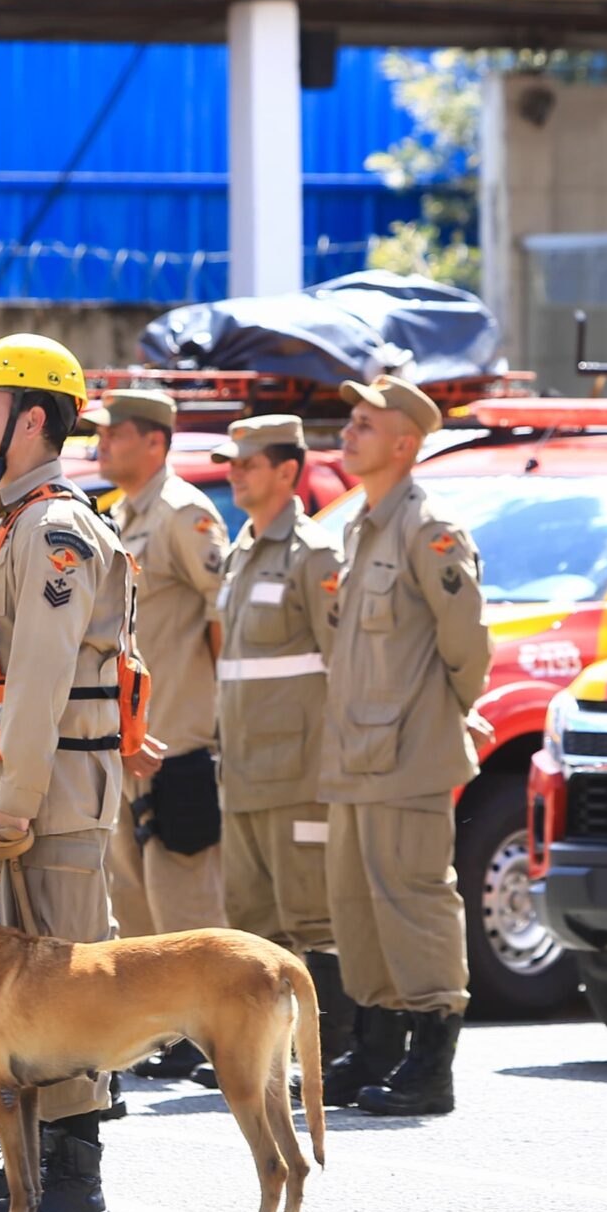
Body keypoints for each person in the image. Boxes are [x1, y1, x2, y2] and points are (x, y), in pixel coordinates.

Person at [0, 334, 147, 1212]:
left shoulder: (54, 529)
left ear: (30, 421)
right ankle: (24, 1163)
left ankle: (74, 1176)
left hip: (47, 793)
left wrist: (13, 801)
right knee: (13, 995)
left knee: (67, 983)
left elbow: (40, 681)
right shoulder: (2, 523)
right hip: (2, 792)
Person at [321, 376, 490, 1118]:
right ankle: (378, 1045)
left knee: (415, 900)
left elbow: (467, 641)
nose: (348, 432)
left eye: (365, 424)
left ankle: (431, 1061)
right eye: (351, 421)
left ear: (403, 444)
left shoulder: (429, 529)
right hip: (355, 752)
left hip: (409, 750)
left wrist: (450, 711)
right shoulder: (362, 527)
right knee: (357, 905)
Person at [84, 388, 225, 1080]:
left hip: (178, 738)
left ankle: (209, 1027)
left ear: (155, 443)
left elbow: (223, 616)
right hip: (127, 742)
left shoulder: (183, 514)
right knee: (135, 899)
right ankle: (165, 1029)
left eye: (115, 434)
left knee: (186, 898)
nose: (101, 444)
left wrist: (211, 711)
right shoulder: (117, 518)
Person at [205, 413, 352, 1071]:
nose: (234, 475)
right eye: (231, 464)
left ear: (288, 471)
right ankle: (266, 1058)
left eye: (248, 464)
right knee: (252, 923)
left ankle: (329, 1058)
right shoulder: (240, 554)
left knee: (313, 919)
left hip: (299, 776)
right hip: (242, 775)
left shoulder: (313, 555)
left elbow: (345, 665)